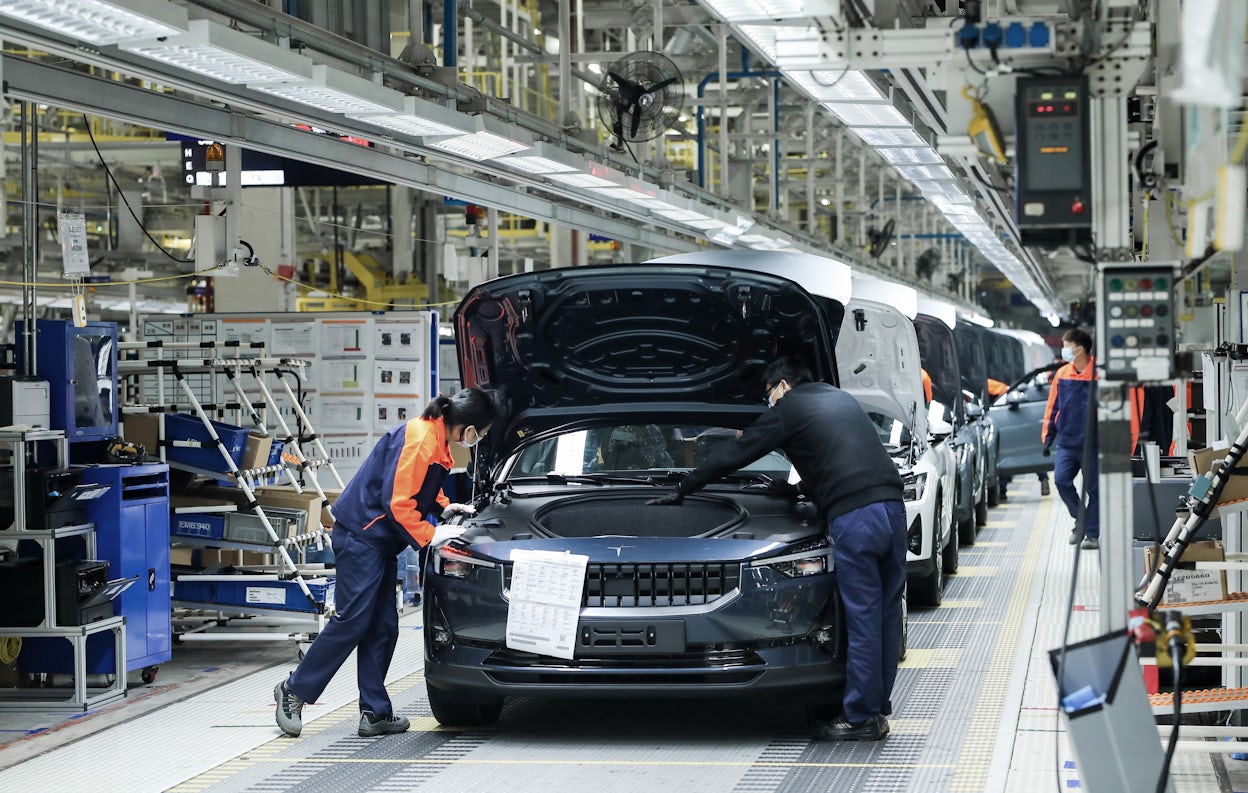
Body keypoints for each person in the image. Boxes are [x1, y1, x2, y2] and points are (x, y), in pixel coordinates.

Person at [648, 357, 905, 741]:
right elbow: (840, 457)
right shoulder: (839, 398)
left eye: (768, 394)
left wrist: (684, 487)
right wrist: (798, 490)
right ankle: (875, 707)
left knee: (863, 616)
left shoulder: (790, 408)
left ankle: (861, 718)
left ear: (782, 385)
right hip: (891, 509)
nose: (769, 402)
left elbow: (737, 453)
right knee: (885, 612)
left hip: (856, 518)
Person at [275, 388, 499, 738]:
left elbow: (418, 483)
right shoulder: (422, 439)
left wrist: (443, 506)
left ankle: (375, 713)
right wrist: (431, 534)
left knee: (383, 626)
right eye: (481, 434)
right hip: (361, 536)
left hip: (378, 541)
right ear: (469, 429)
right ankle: (293, 691)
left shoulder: (435, 436)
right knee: (353, 621)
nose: (479, 439)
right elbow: (398, 504)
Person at [1043, 329, 1099, 549]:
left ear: (1079, 348)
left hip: (1093, 443)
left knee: (1095, 490)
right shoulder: (1062, 374)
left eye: (1067, 345)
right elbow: (1052, 406)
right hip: (1067, 442)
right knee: (1061, 480)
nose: (1064, 349)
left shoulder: (1098, 374)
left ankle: (1092, 534)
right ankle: (1082, 520)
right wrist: (1047, 438)